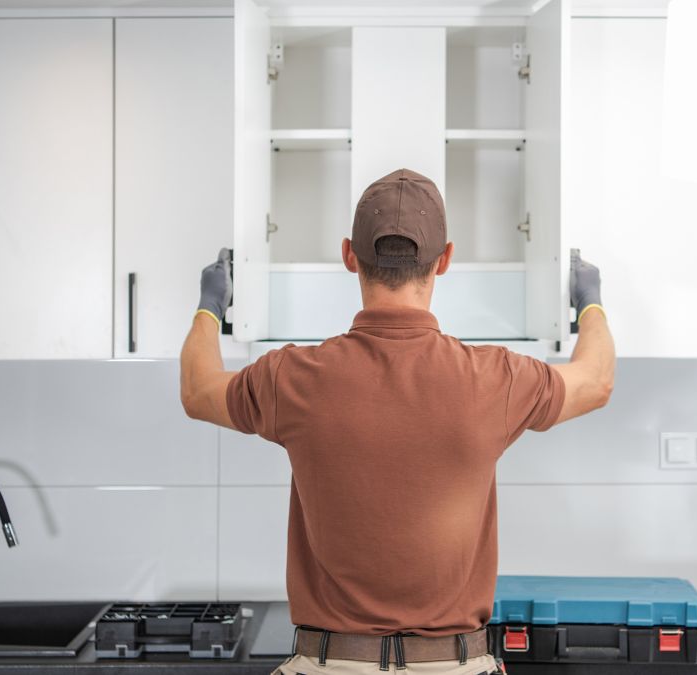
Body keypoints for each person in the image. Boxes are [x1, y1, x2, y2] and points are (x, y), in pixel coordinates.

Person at [181, 168, 615, 675]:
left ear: (349, 255)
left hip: (329, 665)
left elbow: (197, 390)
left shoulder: (290, 378)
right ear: (445, 259)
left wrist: (210, 305)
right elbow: (596, 380)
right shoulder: (496, 379)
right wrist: (590, 303)